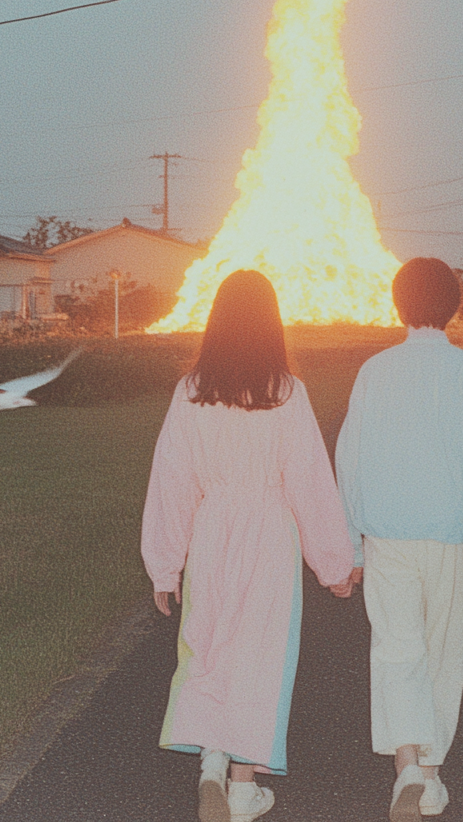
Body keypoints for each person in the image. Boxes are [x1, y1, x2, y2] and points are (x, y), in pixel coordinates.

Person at [141, 269, 358, 822]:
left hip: (213, 529)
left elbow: (171, 481)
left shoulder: (189, 392)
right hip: (269, 534)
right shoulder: (287, 392)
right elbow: (309, 481)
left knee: (207, 643)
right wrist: (335, 563)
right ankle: (241, 786)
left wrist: (165, 567)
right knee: (259, 655)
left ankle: (211, 760)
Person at [335, 257, 463, 822]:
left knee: (396, 648)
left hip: (386, 530)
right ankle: (432, 776)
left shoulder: (375, 369)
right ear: (454, 305)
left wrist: (347, 542)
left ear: (399, 304)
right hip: (448, 533)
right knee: (442, 650)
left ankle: (407, 767)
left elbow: (351, 458)